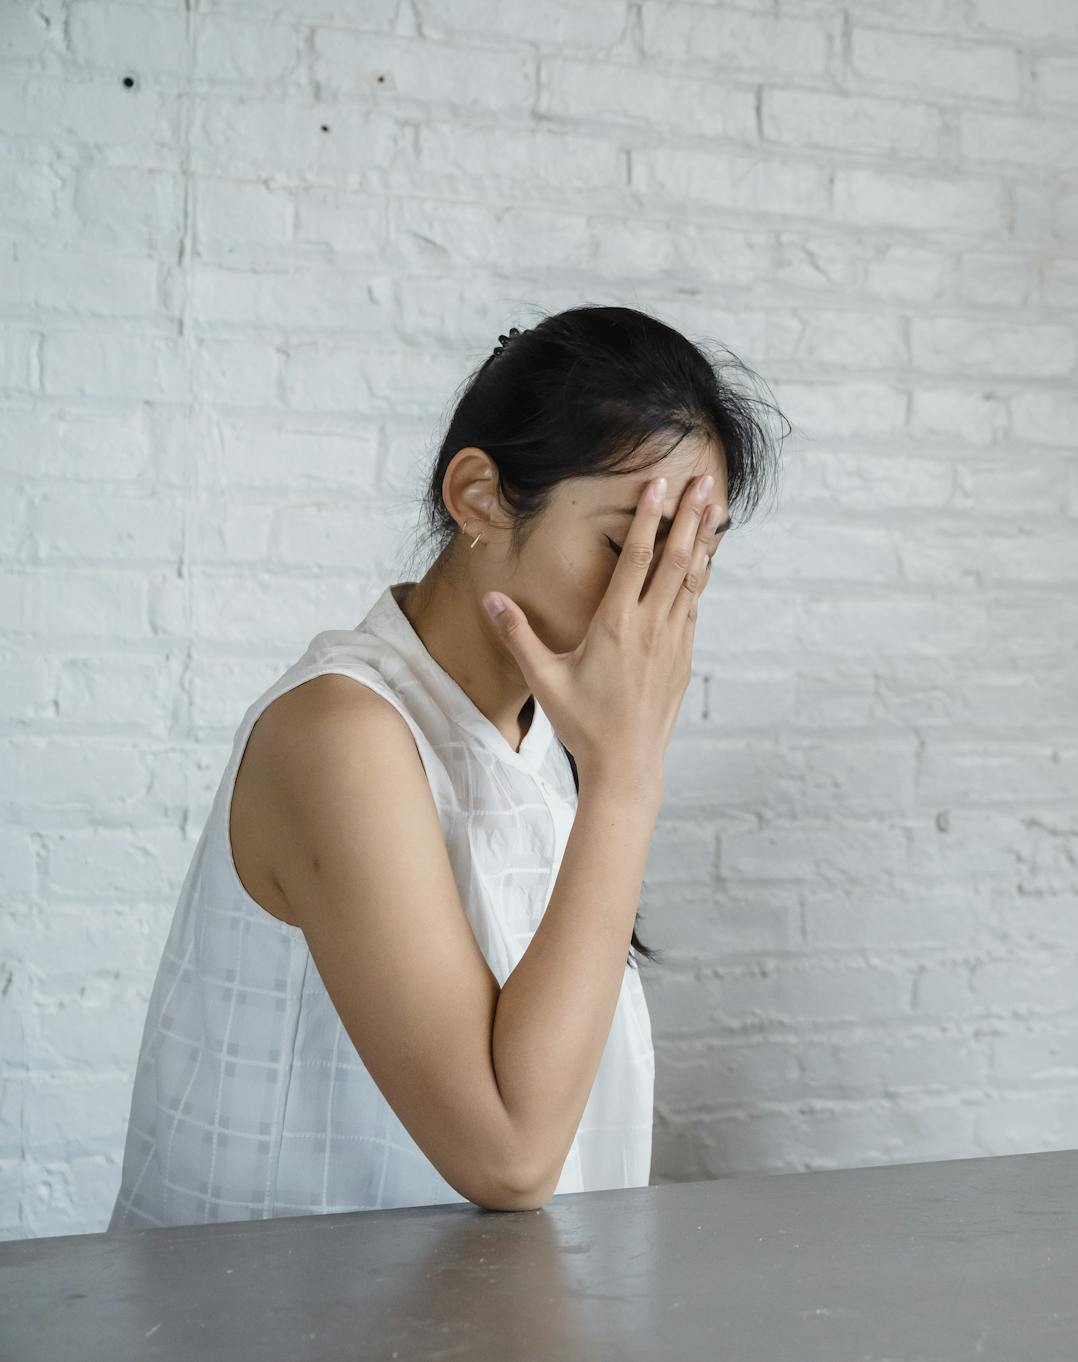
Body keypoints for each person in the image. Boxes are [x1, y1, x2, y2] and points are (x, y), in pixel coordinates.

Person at [109, 305, 782, 1226]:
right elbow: (510, 1154)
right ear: (478, 497)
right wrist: (628, 777)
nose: (656, 601)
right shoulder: (340, 733)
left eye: (692, 558)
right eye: (627, 549)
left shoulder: (554, 738)